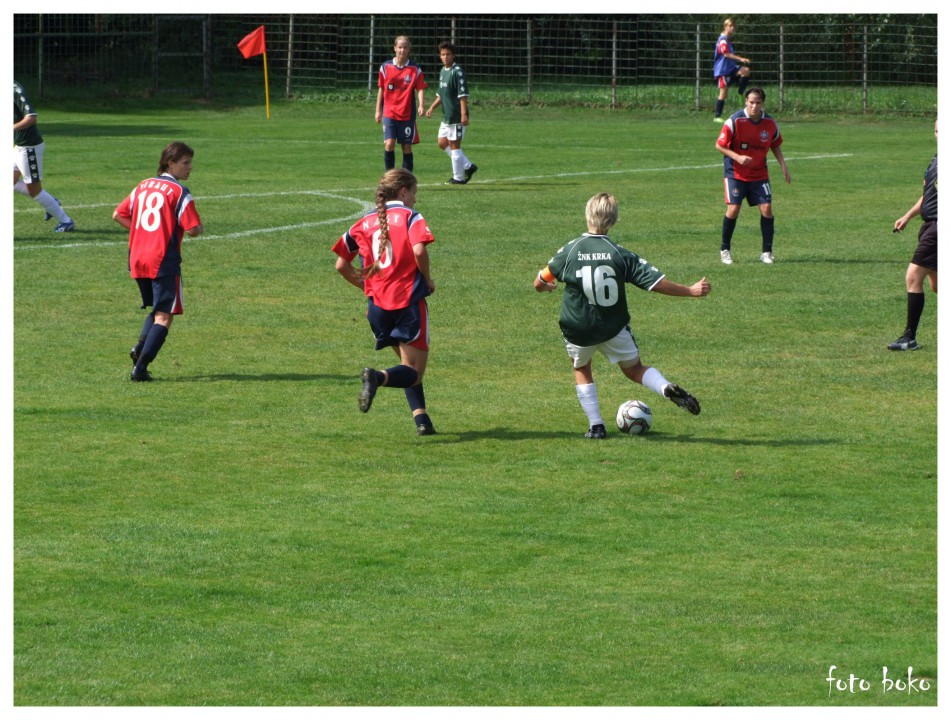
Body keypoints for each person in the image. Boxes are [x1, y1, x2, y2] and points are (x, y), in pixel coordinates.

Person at [534, 192, 711, 439]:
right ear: (614, 220)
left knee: (582, 366)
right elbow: (656, 283)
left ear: (587, 216)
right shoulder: (620, 254)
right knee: (633, 369)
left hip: (578, 328)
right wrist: (690, 291)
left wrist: (546, 287)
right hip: (613, 327)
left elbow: (540, 280)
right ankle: (665, 387)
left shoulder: (570, 250)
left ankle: (596, 426)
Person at [332, 169, 437, 436]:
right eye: (414, 192)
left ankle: (422, 421)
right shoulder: (411, 216)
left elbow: (341, 264)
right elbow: (419, 249)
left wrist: (364, 284)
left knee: (406, 364)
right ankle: (376, 377)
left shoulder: (364, 222)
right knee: (413, 372)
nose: (415, 199)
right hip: (407, 302)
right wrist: (427, 278)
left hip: (377, 307)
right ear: (403, 191)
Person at [112, 142, 204, 382]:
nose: (189, 168)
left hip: (138, 257)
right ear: (170, 162)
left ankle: (139, 348)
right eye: (185, 163)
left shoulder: (143, 185)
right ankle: (140, 368)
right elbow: (193, 229)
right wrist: (199, 228)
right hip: (162, 258)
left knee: (157, 311)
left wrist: (143, 233)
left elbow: (118, 214)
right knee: (165, 315)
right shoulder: (178, 191)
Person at [715, 87, 791, 265]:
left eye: (758, 103)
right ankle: (725, 250)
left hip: (759, 174)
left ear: (762, 103)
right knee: (733, 210)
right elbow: (719, 146)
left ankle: (767, 252)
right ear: (746, 102)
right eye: (751, 102)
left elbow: (775, 144)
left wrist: (783, 165)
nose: (754, 106)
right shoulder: (734, 121)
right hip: (735, 173)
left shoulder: (770, 123)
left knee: (767, 209)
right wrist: (738, 157)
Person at [888, 119, 937, 351]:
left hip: (938, 228)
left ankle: (909, 337)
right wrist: (907, 216)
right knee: (937, 285)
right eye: (937, 130)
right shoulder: (936, 160)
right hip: (928, 226)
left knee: (912, 277)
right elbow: (926, 196)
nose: (939, 134)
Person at [13, 80, 75, 232]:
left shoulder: (13, 88)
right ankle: (51, 202)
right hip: (19, 146)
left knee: (34, 189)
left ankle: (65, 221)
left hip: (29, 147)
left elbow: (31, 117)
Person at [425, 41, 478, 185]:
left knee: (455, 145)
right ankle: (468, 166)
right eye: (442, 54)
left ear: (453, 55)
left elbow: (462, 95)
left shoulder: (458, 72)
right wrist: (432, 108)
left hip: (456, 116)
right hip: (446, 116)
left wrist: (463, 115)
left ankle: (458, 178)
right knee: (442, 142)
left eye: (448, 54)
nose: (445, 57)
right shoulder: (443, 71)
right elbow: (441, 94)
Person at [375, 36, 428, 173]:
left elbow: (420, 88)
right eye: (399, 47)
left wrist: (421, 105)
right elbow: (381, 89)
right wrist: (378, 110)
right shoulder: (385, 67)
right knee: (389, 143)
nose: (402, 50)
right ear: (394, 48)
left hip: (407, 114)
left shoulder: (414, 69)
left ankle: (406, 179)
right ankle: (389, 177)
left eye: (405, 47)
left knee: (406, 147)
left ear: (409, 50)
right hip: (389, 112)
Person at [712, 18, 751, 123]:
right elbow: (726, 54)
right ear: (725, 27)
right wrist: (741, 59)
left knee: (746, 71)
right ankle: (717, 116)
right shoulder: (723, 40)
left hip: (731, 69)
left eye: (734, 26)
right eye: (730, 26)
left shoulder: (727, 40)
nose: (732, 28)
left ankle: (740, 93)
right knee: (723, 93)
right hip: (722, 71)